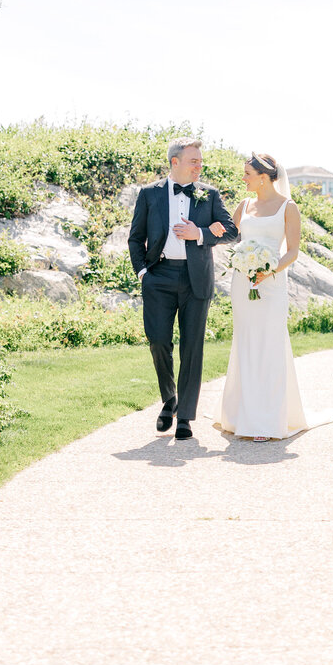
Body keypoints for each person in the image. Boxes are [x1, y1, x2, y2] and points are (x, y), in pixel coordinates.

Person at [210, 153, 333, 441]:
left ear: (264, 177)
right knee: (245, 342)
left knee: (269, 345)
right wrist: (212, 232)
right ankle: (239, 415)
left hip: (272, 283)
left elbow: (292, 250)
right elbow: (230, 236)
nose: (243, 178)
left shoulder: (288, 207)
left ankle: (266, 421)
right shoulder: (244, 205)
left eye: (247, 174)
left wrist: (268, 270)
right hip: (243, 282)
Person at [128, 137, 239, 440]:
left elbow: (231, 231)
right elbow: (136, 238)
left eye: (200, 161)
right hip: (159, 277)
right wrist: (142, 273)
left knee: (193, 347)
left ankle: (185, 417)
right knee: (158, 341)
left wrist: (199, 233)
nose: (199, 166)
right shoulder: (149, 194)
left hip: (195, 279)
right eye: (194, 161)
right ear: (175, 162)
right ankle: (169, 398)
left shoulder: (209, 195)